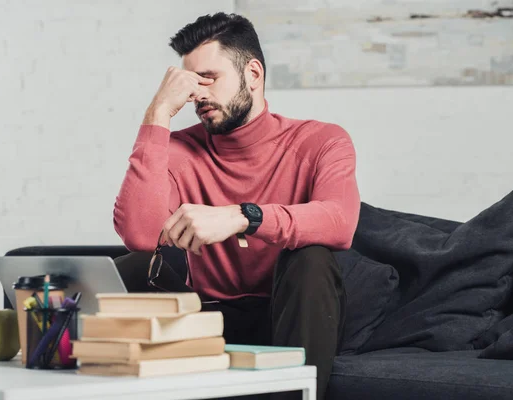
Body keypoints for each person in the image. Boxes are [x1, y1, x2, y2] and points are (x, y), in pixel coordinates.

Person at [113, 12, 360, 400]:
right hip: (210, 321)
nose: (197, 94)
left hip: (294, 315)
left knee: (310, 257)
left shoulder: (322, 141)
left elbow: (339, 221)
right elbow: (140, 235)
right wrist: (158, 113)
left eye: (209, 77)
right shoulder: (180, 150)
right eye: (189, 82)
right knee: (131, 268)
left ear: (253, 74)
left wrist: (243, 216)